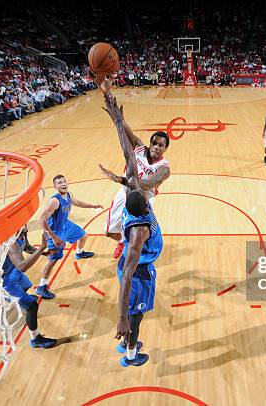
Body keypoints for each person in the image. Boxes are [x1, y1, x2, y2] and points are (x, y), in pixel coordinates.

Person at [102, 93, 163, 367]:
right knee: (136, 317)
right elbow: (127, 274)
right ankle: (130, 353)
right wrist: (122, 316)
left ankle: (129, 340)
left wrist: (118, 121)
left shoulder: (132, 201)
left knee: (134, 313)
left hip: (133, 263)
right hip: (136, 271)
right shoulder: (140, 230)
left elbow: (127, 151)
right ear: (147, 207)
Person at [98, 78, 170, 259]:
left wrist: (123, 178)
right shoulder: (138, 146)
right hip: (124, 192)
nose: (156, 146)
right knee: (109, 232)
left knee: (139, 234)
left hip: (144, 198)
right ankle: (121, 242)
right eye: (154, 142)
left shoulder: (164, 167)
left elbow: (147, 184)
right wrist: (107, 93)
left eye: (161, 145)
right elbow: (121, 124)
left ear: (165, 149)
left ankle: (135, 250)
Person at [0, 226, 57, 348]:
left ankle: (20, 302)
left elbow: (27, 247)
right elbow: (22, 266)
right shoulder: (11, 242)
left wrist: (44, 253)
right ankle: (36, 339)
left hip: (11, 273)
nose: (25, 225)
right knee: (32, 306)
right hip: (0, 280)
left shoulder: (22, 232)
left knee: (27, 285)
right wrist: (41, 248)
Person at [37, 175, 103, 299]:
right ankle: (41, 287)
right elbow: (41, 220)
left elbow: (77, 202)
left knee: (83, 235)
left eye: (64, 181)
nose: (62, 184)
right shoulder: (54, 201)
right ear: (55, 186)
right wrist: (54, 237)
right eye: (59, 183)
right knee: (53, 260)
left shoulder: (69, 195)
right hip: (55, 231)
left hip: (65, 225)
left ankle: (79, 253)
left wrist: (92, 206)